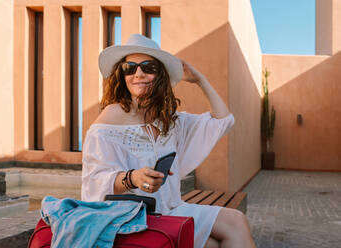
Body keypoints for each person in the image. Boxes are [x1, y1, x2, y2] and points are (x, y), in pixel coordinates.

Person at [82, 34, 255, 248]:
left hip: (172, 209)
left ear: (160, 75)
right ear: (122, 74)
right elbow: (93, 182)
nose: (138, 74)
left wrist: (200, 80)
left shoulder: (169, 121)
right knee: (211, 244)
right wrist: (132, 178)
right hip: (135, 217)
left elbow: (224, 120)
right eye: (130, 67)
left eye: (148, 67)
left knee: (236, 220)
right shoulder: (110, 118)